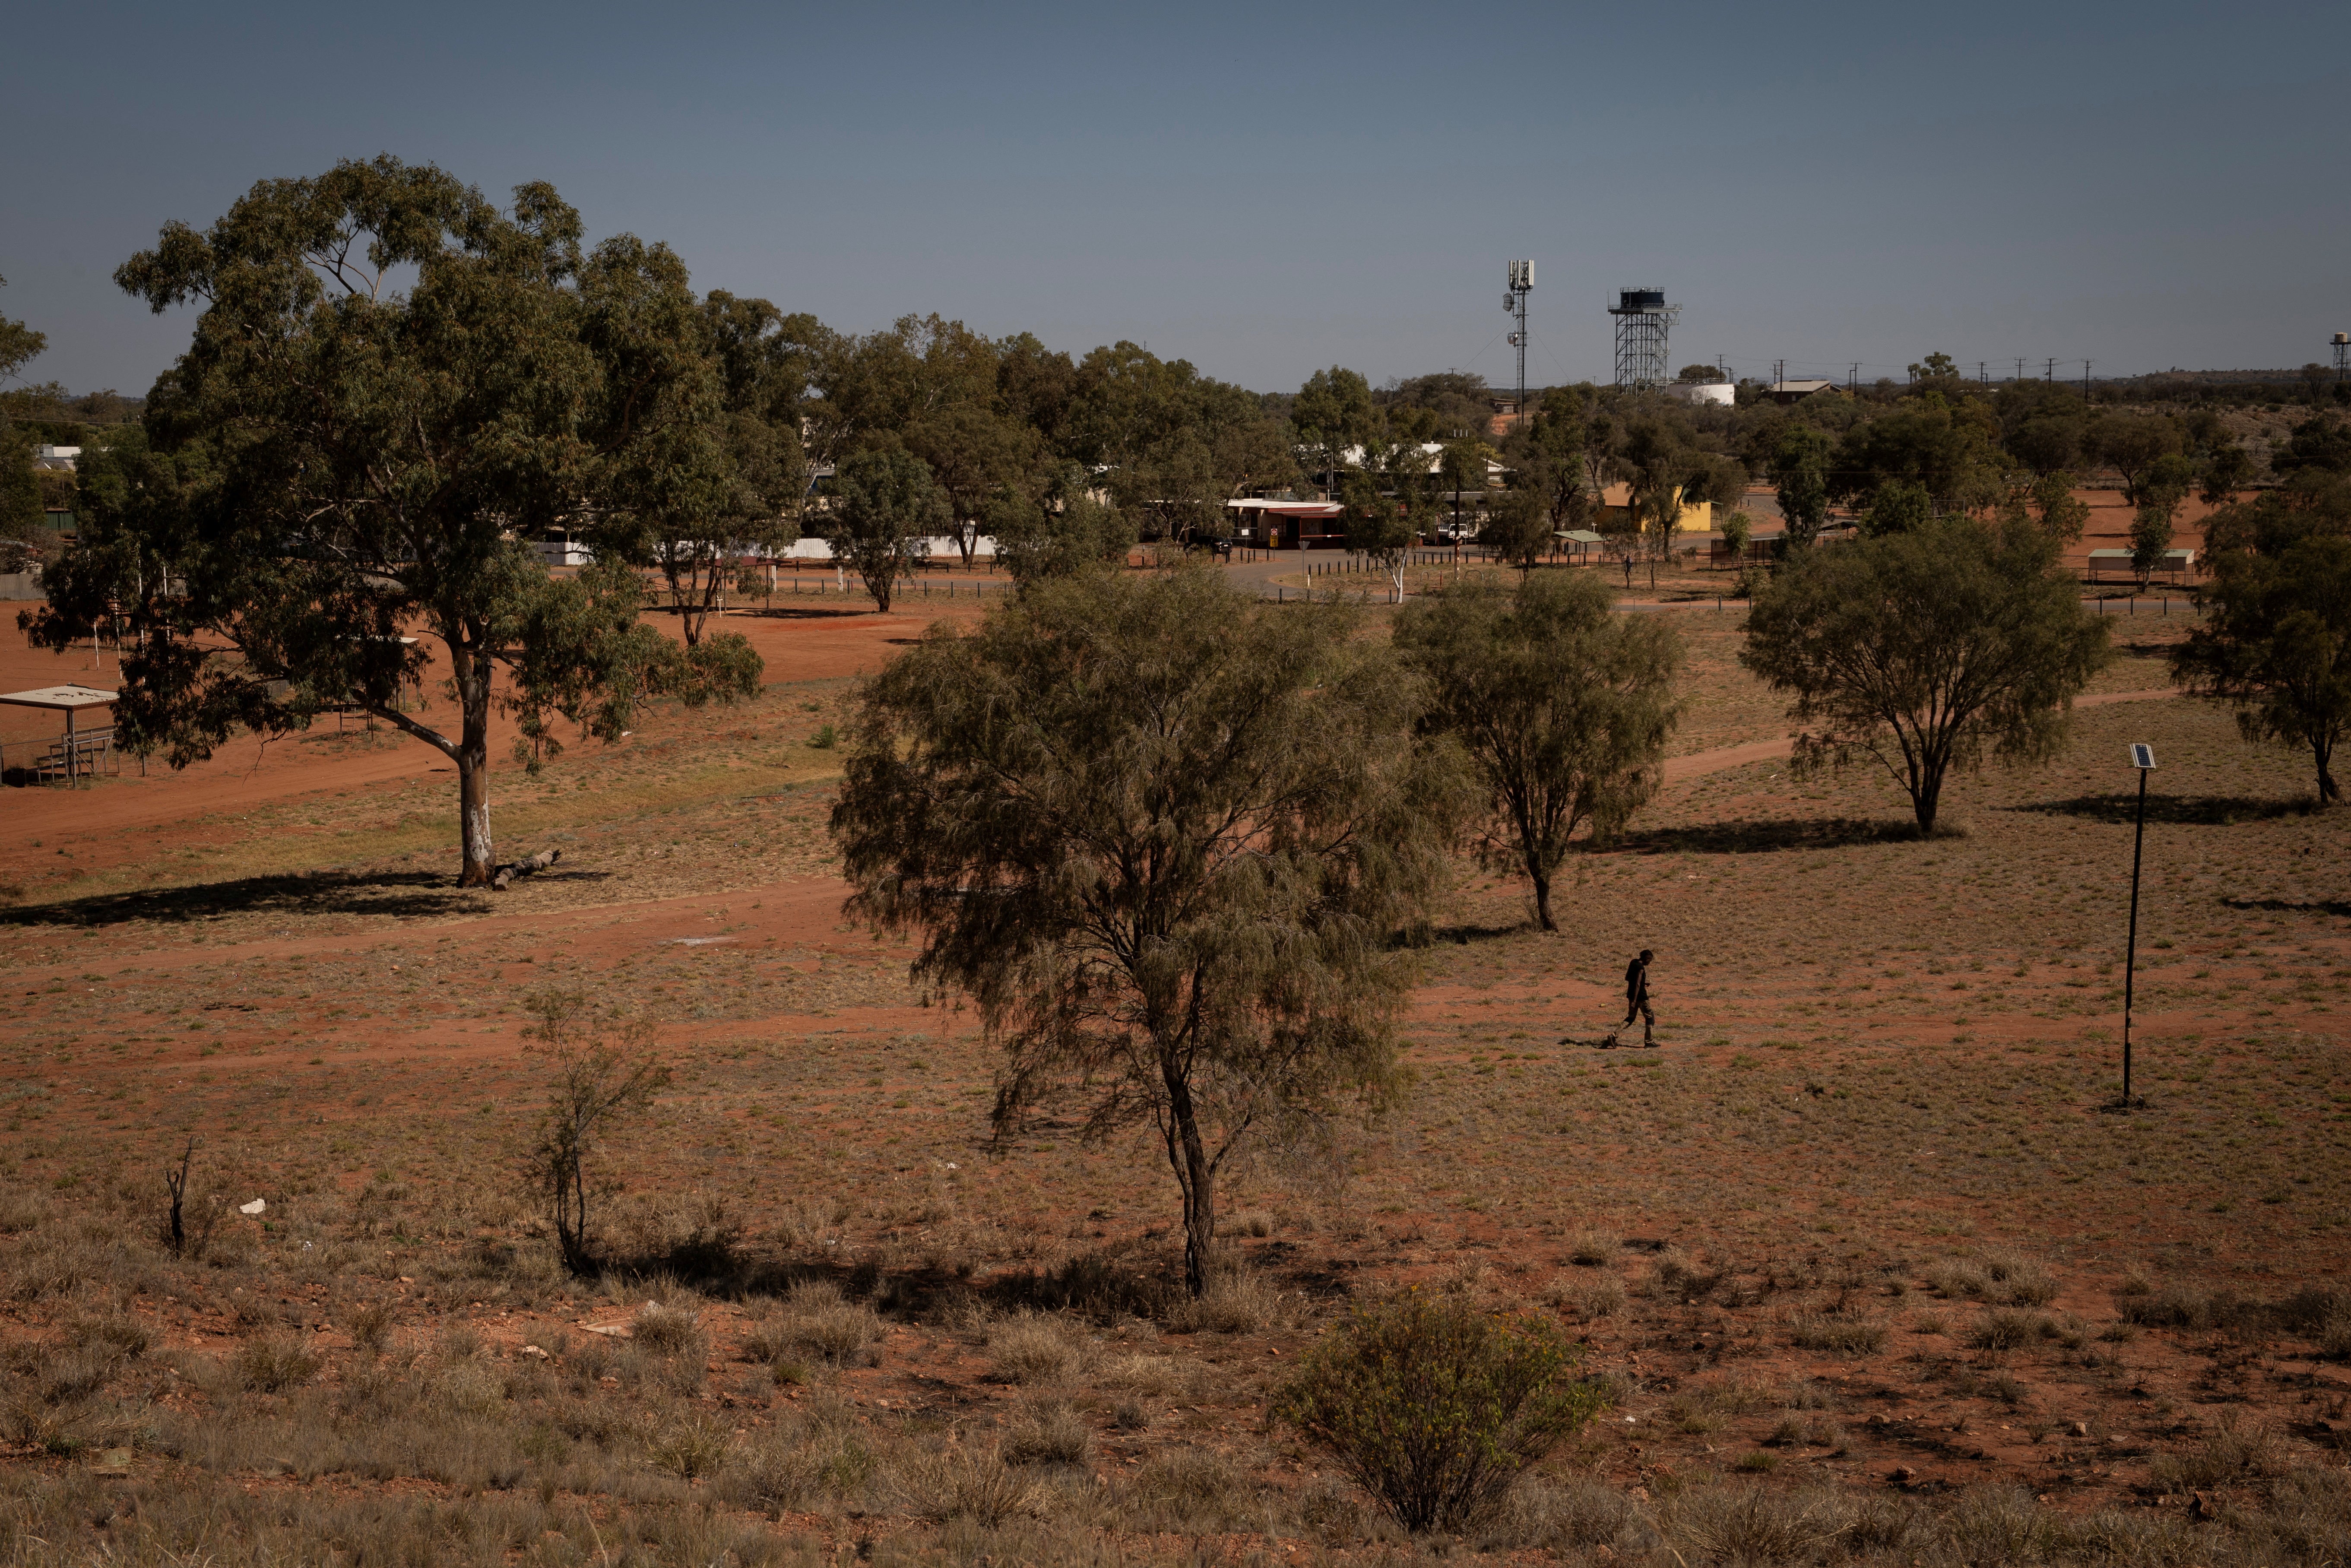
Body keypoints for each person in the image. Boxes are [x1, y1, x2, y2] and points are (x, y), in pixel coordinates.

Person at [1620, 949, 1656, 1048]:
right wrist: (1635, 1001)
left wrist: (1643, 982)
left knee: (1631, 1018)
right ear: (1645, 958)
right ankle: (1649, 1042)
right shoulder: (1641, 968)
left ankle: (1614, 1035)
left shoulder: (1633, 962)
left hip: (1631, 995)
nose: (1650, 962)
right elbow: (1637, 984)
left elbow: (1628, 978)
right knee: (1650, 1018)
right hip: (1641, 997)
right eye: (1649, 960)